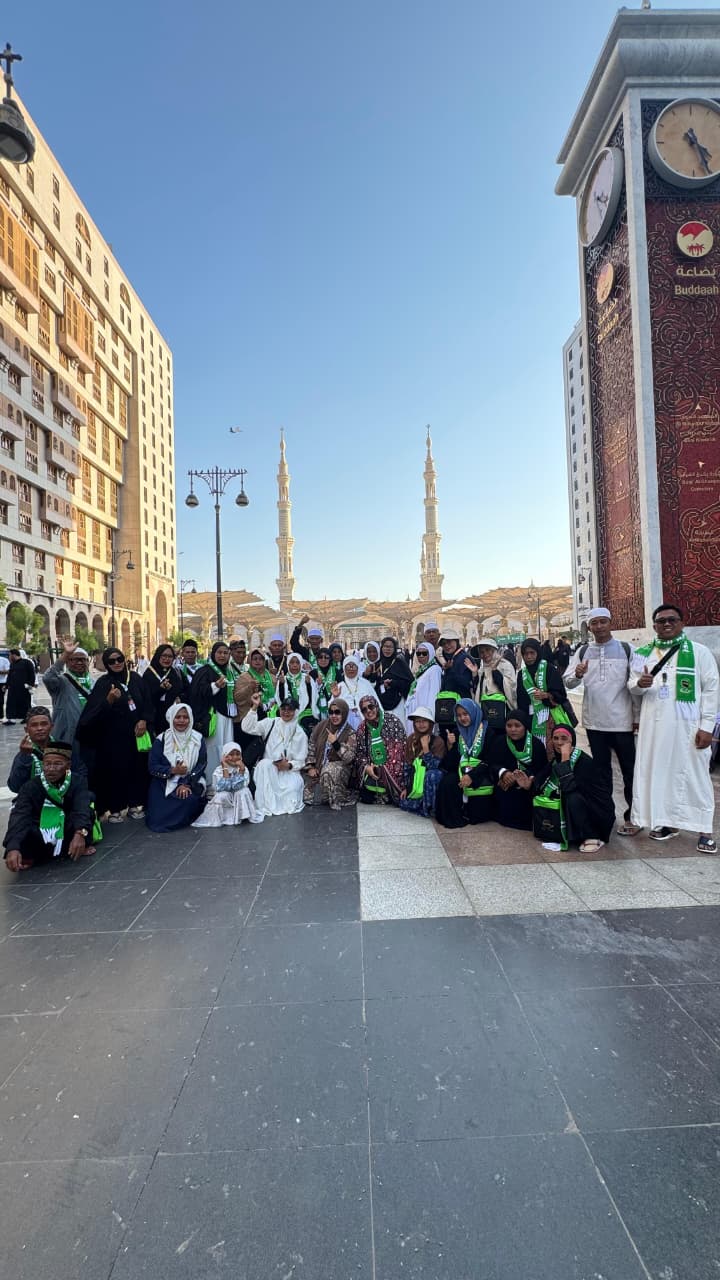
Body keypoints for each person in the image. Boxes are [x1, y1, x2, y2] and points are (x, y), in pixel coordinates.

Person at [629, 603, 718, 852]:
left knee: (695, 776)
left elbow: (712, 690)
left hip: (688, 728)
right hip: (654, 728)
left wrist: (707, 726)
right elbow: (631, 685)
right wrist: (640, 683)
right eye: (661, 621)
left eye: (672, 620)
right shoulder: (642, 653)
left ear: (682, 623)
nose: (666, 624)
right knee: (660, 775)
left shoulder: (699, 652)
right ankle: (668, 823)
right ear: (654, 625)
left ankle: (705, 830)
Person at [564, 607, 639, 836]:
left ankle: (634, 817)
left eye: (602, 622)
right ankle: (606, 816)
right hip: (595, 724)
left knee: (630, 772)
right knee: (602, 774)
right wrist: (577, 674)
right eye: (594, 623)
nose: (599, 627)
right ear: (589, 627)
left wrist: (636, 717)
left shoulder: (627, 649)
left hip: (623, 723)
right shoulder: (582, 651)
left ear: (610, 623)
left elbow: (635, 686)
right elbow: (568, 682)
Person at [76, 647, 151, 822]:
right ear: (106, 664)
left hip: (136, 736)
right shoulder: (103, 683)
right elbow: (93, 713)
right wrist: (108, 701)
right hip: (113, 738)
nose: (116, 663)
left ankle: (134, 804)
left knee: (136, 770)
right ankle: (115, 808)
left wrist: (144, 720)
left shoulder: (135, 679)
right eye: (111, 661)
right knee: (114, 772)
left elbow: (148, 702)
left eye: (119, 659)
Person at [3, 742, 95, 872]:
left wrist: (80, 834)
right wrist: (12, 847)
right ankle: (36, 854)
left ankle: (77, 845)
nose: (51, 769)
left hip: (66, 826)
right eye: (47, 764)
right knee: (25, 829)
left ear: (68, 765)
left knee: (88, 814)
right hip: (41, 830)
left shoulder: (77, 781)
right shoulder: (30, 786)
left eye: (57, 764)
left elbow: (81, 810)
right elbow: (20, 816)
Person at [532, 723, 615, 853]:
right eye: (555, 738)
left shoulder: (583, 761)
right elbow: (542, 783)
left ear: (572, 741)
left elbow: (568, 787)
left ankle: (591, 836)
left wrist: (565, 761)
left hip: (597, 813)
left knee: (572, 798)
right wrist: (528, 783)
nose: (559, 743)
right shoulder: (555, 760)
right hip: (579, 810)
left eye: (564, 739)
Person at [241, 692, 308, 815]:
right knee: (265, 764)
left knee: (291, 794)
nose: (286, 712)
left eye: (290, 710)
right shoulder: (270, 723)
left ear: (296, 712)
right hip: (268, 771)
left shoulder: (300, 733)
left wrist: (289, 765)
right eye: (283, 709)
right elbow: (247, 727)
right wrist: (254, 707)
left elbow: (301, 761)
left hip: (288, 772)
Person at [146, 703, 207, 832]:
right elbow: (152, 766)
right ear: (171, 718)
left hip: (191, 780)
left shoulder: (197, 738)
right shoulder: (161, 740)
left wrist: (186, 783)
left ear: (190, 719)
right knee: (158, 820)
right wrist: (172, 770)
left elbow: (201, 764)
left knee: (187, 800)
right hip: (164, 782)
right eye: (178, 717)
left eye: (185, 717)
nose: (181, 721)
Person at [435, 699, 494, 829]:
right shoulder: (457, 732)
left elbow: (490, 761)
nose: (462, 718)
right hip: (461, 770)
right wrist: (450, 746)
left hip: (481, 771)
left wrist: (472, 775)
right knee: (448, 781)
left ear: (473, 712)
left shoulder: (487, 731)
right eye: (459, 715)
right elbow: (450, 765)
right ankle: (454, 817)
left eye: (465, 714)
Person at [488, 708, 547, 830]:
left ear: (524, 726)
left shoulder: (536, 744)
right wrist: (503, 773)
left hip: (527, 785)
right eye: (509, 726)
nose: (513, 729)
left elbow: (541, 769)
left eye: (517, 725)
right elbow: (491, 764)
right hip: (505, 784)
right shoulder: (499, 742)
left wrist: (523, 777)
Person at [188, 641, 240, 781]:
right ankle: (212, 781)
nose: (222, 656)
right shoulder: (204, 671)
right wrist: (215, 686)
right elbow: (197, 693)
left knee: (227, 747)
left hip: (228, 716)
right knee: (212, 749)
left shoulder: (230, 671)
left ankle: (227, 779)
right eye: (219, 653)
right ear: (213, 654)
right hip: (213, 717)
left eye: (225, 653)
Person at [7, 706, 87, 793]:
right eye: (34, 725)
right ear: (26, 730)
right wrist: (25, 757)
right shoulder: (24, 753)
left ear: (51, 726)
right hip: (33, 798)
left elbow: (81, 775)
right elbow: (15, 786)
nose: (39, 728)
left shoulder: (64, 749)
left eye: (44, 724)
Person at [303, 698, 357, 810]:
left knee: (329, 770)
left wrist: (335, 743)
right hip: (319, 768)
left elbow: (349, 758)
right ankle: (325, 794)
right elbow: (311, 747)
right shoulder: (321, 727)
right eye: (331, 712)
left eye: (337, 712)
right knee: (307, 797)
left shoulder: (350, 733)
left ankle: (338, 795)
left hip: (339, 771)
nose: (334, 716)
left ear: (344, 713)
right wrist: (310, 767)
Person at [192, 743, 264, 827]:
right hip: (225, 795)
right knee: (222, 795)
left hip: (237, 793)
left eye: (237, 754)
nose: (235, 757)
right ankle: (226, 817)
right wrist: (225, 768)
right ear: (224, 756)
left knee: (243, 791)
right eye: (231, 754)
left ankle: (242, 815)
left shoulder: (243, 769)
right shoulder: (218, 771)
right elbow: (223, 788)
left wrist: (241, 770)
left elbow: (238, 786)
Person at [354, 694, 407, 804]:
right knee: (366, 797)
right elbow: (360, 754)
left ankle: (391, 792)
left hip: (392, 768)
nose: (368, 711)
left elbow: (399, 749)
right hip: (373, 770)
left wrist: (383, 768)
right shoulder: (362, 728)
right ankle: (383, 795)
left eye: (371, 707)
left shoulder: (392, 721)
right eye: (364, 709)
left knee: (395, 796)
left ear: (377, 706)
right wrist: (367, 767)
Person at [516, 637, 570, 742]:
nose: (529, 657)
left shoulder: (549, 669)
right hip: (530, 719)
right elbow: (520, 700)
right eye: (525, 654)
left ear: (538, 652)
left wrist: (547, 695)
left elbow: (562, 694)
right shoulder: (521, 674)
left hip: (550, 718)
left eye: (532, 653)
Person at [42, 641, 95, 742]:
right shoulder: (61, 681)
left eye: (83, 659)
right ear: (67, 662)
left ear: (88, 662)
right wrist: (65, 654)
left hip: (90, 734)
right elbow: (47, 678)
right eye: (75, 659)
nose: (79, 662)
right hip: (66, 736)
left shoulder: (94, 683)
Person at [398, 706, 446, 818]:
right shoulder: (411, 739)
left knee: (432, 774)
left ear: (430, 723)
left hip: (431, 781)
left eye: (424, 721)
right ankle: (421, 804)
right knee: (401, 801)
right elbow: (408, 766)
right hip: (417, 781)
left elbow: (433, 766)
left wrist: (426, 749)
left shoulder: (438, 741)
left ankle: (431, 808)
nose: (421, 724)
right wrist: (406, 788)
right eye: (418, 721)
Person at [467, 637, 517, 727]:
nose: (485, 654)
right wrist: (475, 675)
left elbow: (511, 688)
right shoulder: (482, 669)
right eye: (481, 652)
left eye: (487, 650)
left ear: (494, 650)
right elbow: (478, 690)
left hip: (502, 711)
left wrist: (495, 671)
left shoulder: (505, 665)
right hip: (486, 711)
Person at [142, 644, 188, 736]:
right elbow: (145, 698)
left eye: (170, 656)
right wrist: (161, 689)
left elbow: (186, 691)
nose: (167, 659)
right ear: (158, 656)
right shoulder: (149, 674)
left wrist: (180, 698)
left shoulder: (176, 673)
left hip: (175, 719)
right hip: (155, 720)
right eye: (164, 656)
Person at [366, 637, 413, 724]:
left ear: (394, 649)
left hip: (397, 704)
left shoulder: (399, 663)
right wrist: (379, 682)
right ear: (381, 648)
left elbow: (410, 683)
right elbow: (372, 684)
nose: (387, 649)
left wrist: (394, 683)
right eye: (385, 646)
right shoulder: (378, 664)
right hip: (381, 705)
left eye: (390, 647)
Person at [435, 628, 473, 728]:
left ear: (456, 641)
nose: (447, 646)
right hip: (448, 707)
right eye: (444, 644)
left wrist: (451, 670)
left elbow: (466, 684)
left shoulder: (464, 658)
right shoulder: (448, 659)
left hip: (461, 709)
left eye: (449, 642)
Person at [274, 653, 318, 732]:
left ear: (301, 664)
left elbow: (312, 698)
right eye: (292, 662)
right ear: (288, 664)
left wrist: (308, 684)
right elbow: (280, 700)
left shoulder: (306, 677)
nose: (295, 665)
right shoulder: (283, 679)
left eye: (297, 663)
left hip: (304, 711)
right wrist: (281, 684)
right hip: (287, 710)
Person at [404, 642, 442, 729]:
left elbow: (434, 695)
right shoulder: (422, 670)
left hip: (425, 715)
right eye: (418, 653)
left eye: (424, 653)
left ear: (431, 653)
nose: (421, 656)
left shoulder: (435, 670)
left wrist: (429, 718)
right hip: (417, 712)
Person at [333, 656, 377, 730]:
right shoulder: (339, 686)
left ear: (358, 668)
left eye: (353, 666)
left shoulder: (365, 683)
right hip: (345, 721)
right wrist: (335, 697)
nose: (351, 669)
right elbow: (332, 707)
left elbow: (375, 702)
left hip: (365, 719)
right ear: (344, 668)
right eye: (348, 666)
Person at [3, 649, 36, 725]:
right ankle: (11, 719)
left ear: (14, 655)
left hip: (24, 688)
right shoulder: (12, 664)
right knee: (11, 704)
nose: (9, 657)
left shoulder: (27, 662)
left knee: (25, 703)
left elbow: (32, 674)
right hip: (13, 688)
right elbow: (10, 676)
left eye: (10, 655)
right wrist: (6, 685)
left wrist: (30, 685)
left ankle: (26, 718)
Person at [313, 647, 338, 720]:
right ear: (317, 659)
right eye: (320, 657)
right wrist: (317, 686)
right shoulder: (312, 673)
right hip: (317, 708)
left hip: (334, 708)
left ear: (330, 659)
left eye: (326, 657)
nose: (323, 659)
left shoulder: (336, 672)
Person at [0, 649, 10, 720]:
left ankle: (0, 716)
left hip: (2, 682)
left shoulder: (4, 660)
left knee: (0, 699)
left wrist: (0, 672)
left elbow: (9, 671)